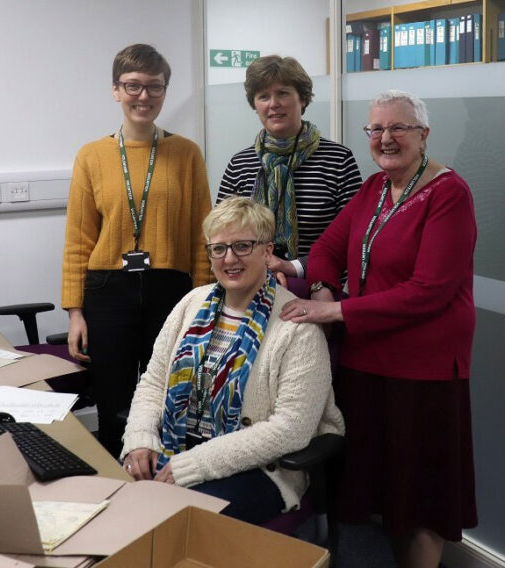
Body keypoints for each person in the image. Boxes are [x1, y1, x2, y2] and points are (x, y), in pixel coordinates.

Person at [280, 90, 478, 567]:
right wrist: (325, 287)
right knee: (371, 495)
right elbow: (327, 247)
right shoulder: (372, 189)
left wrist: (333, 313)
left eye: (398, 128)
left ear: (423, 135)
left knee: (421, 502)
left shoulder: (449, 193)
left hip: (422, 371)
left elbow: (428, 290)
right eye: (376, 129)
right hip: (363, 363)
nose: (385, 138)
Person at [121, 197, 344, 524]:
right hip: (175, 447)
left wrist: (192, 465)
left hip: (259, 469)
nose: (229, 259)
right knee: (115, 506)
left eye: (242, 246)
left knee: (177, 523)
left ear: (267, 252)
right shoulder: (191, 303)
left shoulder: (296, 326)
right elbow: (154, 382)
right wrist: (140, 439)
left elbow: (291, 430)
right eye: (219, 249)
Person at [61, 44, 212, 458]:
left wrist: (204, 302)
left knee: (171, 395)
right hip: (108, 290)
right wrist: (75, 312)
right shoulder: (92, 156)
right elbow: (78, 239)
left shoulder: (187, 154)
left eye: (154, 87)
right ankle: (118, 484)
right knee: (114, 402)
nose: (143, 96)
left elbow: (203, 235)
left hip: (173, 289)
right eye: (133, 86)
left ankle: (168, 482)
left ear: (164, 92)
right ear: (116, 90)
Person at [217, 55, 362, 280]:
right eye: (263, 96)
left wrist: (294, 267)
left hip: (319, 288)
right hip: (251, 288)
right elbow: (221, 236)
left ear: (302, 99)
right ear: (255, 105)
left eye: (283, 93)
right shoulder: (240, 164)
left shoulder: (338, 160)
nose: (273, 104)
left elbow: (354, 237)